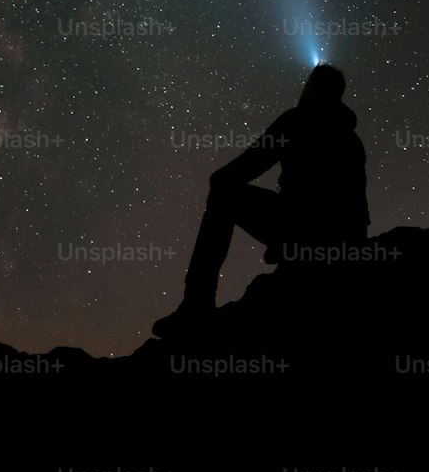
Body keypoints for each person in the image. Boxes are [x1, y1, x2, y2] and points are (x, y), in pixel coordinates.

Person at [152, 62, 369, 337]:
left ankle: (196, 305)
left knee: (223, 193)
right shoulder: (352, 140)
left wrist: (219, 180)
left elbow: (243, 168)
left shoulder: (297, 120)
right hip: (345, 241)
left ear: (312, 88)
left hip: (304, 231)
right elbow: (357, 209)